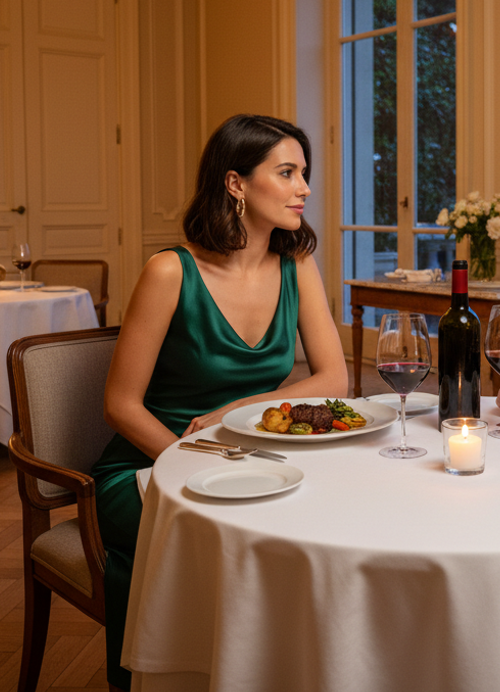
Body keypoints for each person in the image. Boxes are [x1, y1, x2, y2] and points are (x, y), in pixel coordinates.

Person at [92, 114, 348, 691]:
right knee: (251, 537)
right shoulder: (168, 272)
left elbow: (335, 378)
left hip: (254, 456)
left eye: (304, 173)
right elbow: (121, 406)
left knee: (314, 526)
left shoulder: (296, 265)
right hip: (150, 461)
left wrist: (236, 418)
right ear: (236, 183)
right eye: (286, 173)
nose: (304, 188)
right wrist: (195, 453)